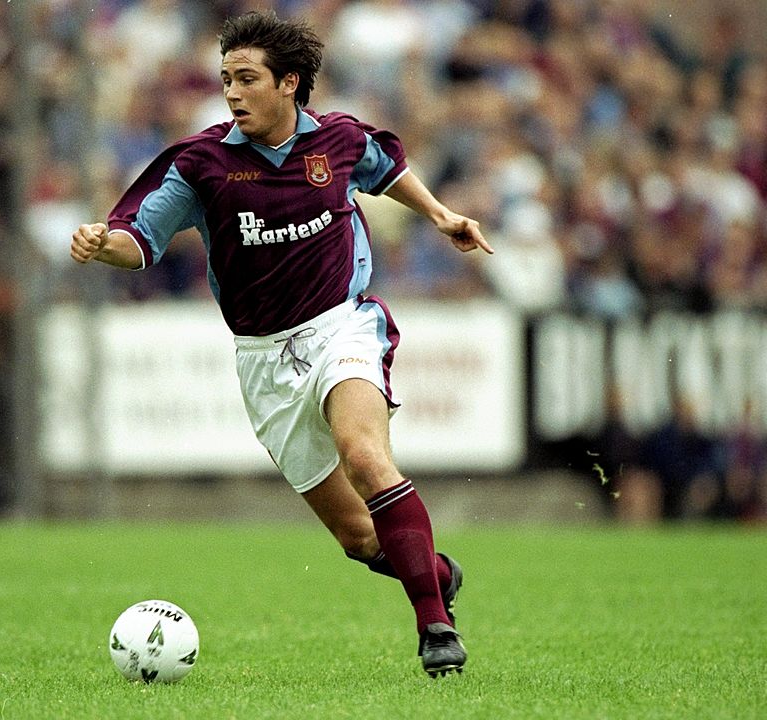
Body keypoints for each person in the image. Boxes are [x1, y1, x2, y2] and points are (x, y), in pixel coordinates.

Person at [71, 10, 493, 678]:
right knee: (358, 538)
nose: (232, 93)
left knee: (365, 454)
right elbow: (139, 239)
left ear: (289, 82)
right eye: (226, 80)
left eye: (246, 79)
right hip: (264, 360)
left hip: (342, 326)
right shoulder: (201, 163)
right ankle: (436, 575)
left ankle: (434, 628)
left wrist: (440, 214)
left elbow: (386, 167)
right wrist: (103, 244)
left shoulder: (338, 140)